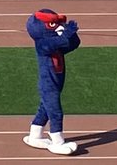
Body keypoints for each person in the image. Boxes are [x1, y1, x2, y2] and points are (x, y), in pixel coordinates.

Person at [22, 8, 80, 155]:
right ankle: (58, 141)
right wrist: (66, 33)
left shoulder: (56, 46)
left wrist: (70, 33)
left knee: (44, 110)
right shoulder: (42, 44)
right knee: (55, 112)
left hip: (56, 83)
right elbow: (57, 42)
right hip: (48, 85)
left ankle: (35, 134)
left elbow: (72, 44)